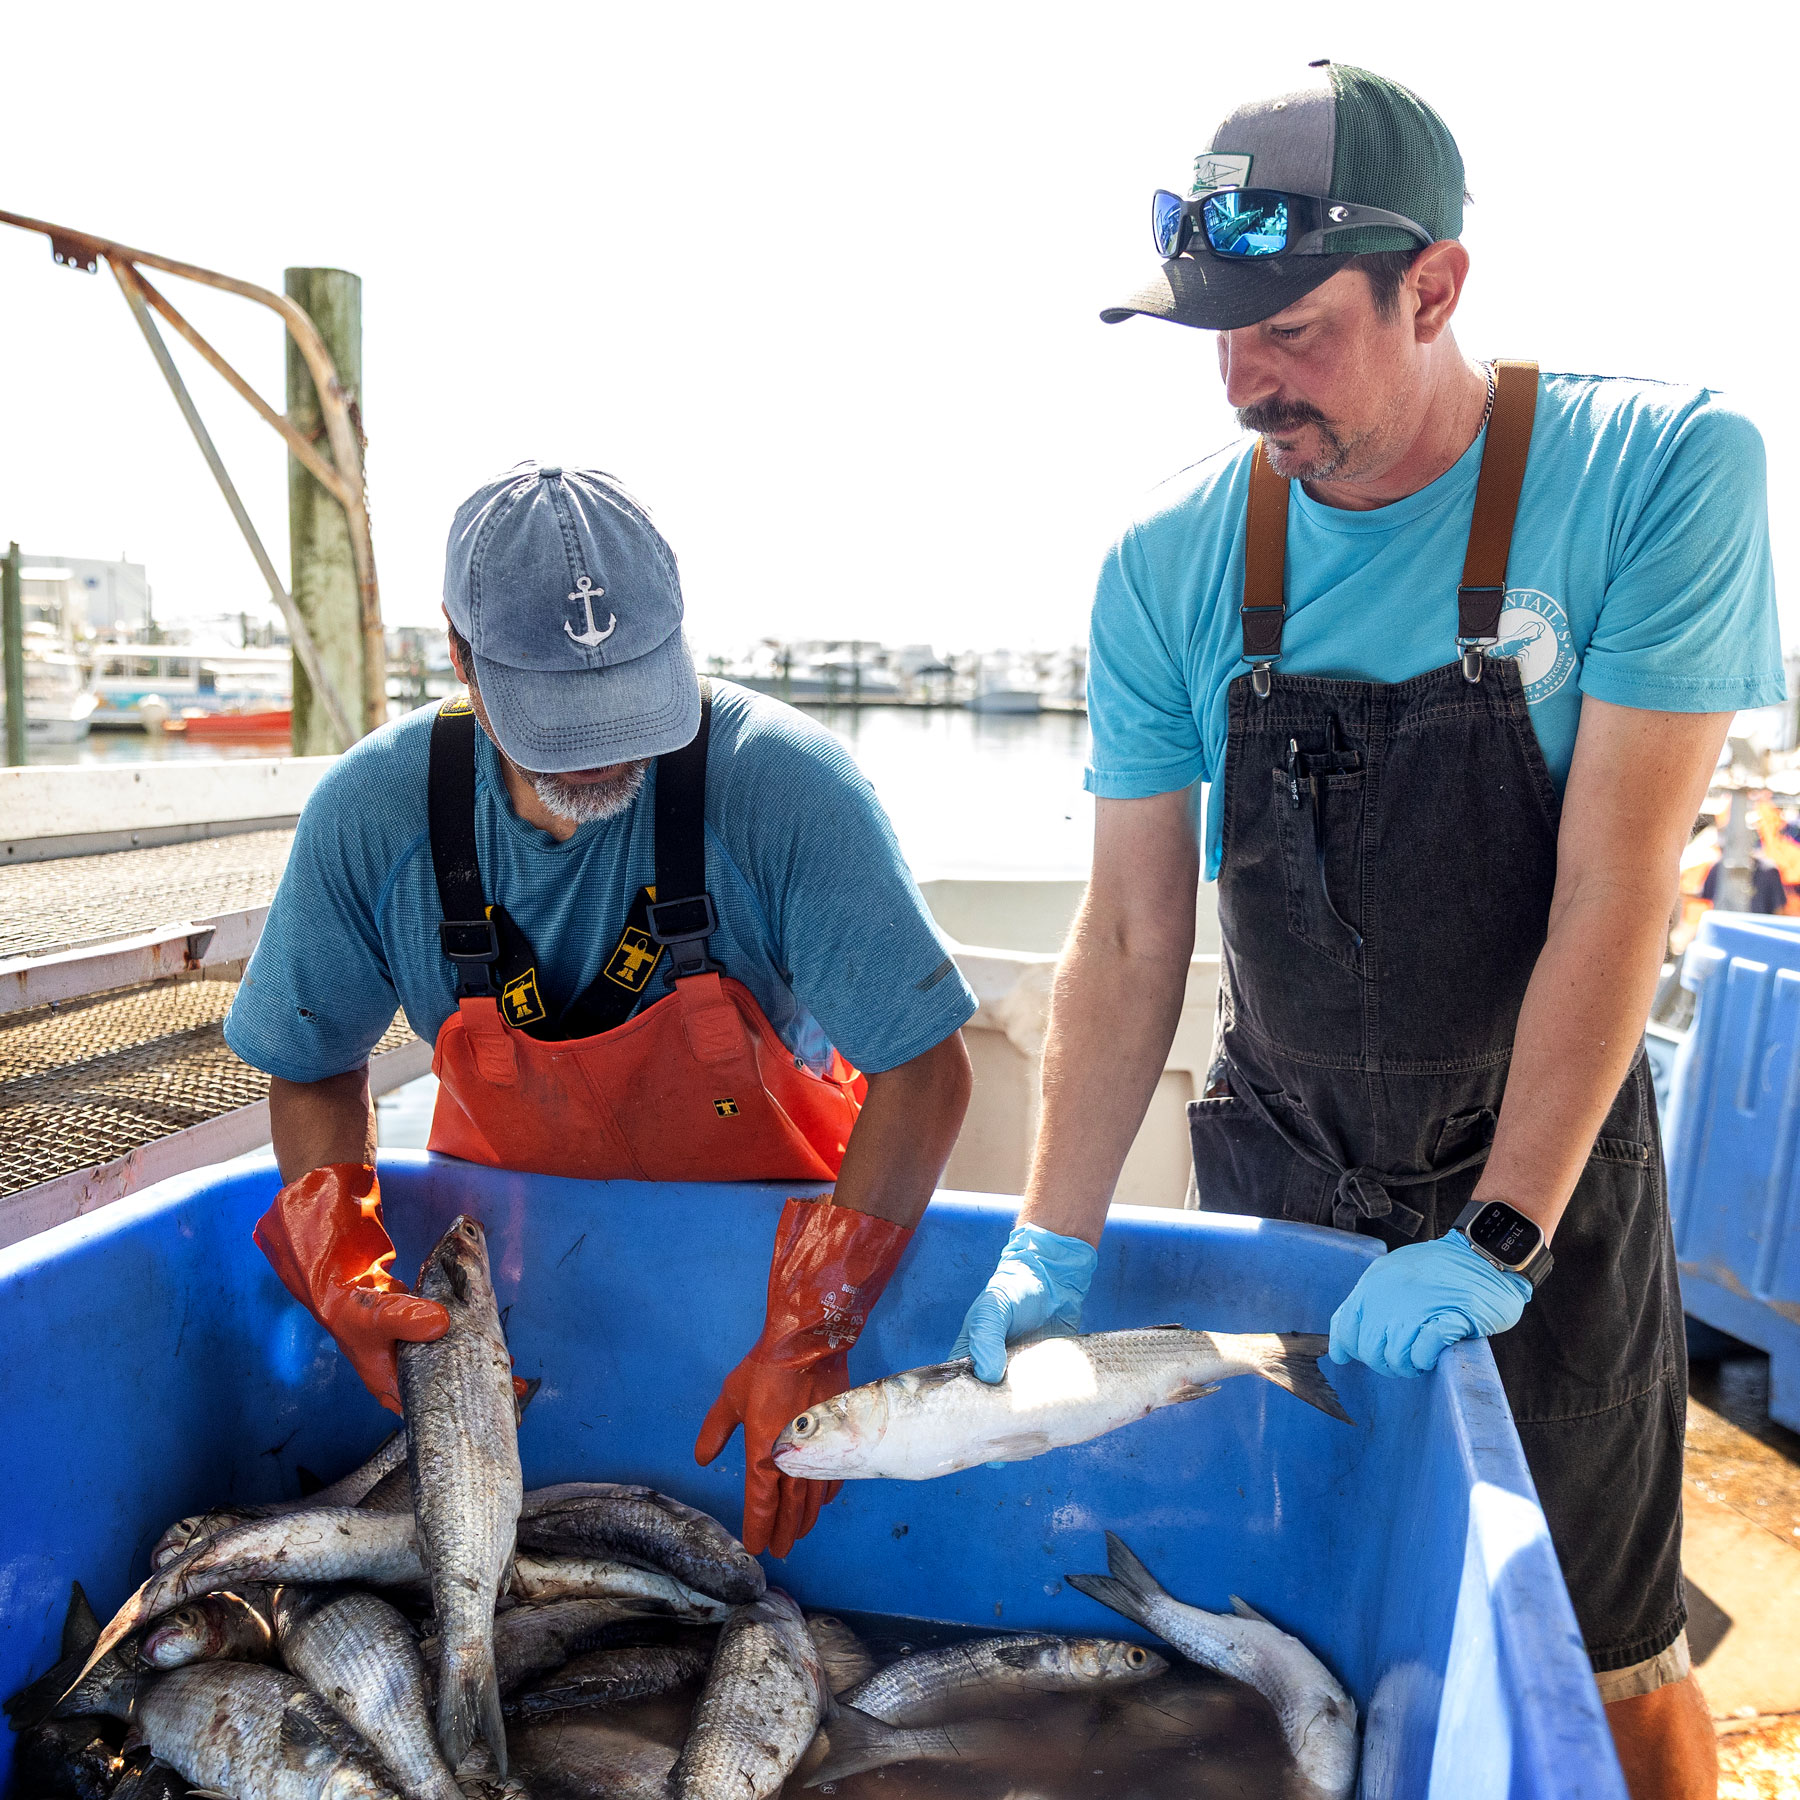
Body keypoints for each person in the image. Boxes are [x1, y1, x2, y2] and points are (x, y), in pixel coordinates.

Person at [949, 62, 1781, 1800]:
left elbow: (1615, 894)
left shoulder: (1659, 469)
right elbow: (1126, 940)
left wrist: (1502, 1231)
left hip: (1535, 1162)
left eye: (1296, 333)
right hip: (1289, 1160)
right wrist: (1052, 1236)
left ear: (1438, 288)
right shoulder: (1167, 562)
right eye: (1217, 340)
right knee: (1324, 1602)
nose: (1250, 384)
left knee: (1607, 1643)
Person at [227, 463, 975, 1559]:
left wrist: (816, 1329)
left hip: (765, 1271)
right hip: (526, 1292)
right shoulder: (371, 813)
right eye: (557, 718)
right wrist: (343, 1272)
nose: (602, 751)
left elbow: (925, 1071)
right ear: (460, 657)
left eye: (629, 700)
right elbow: (311, 1062)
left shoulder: (787, 788)